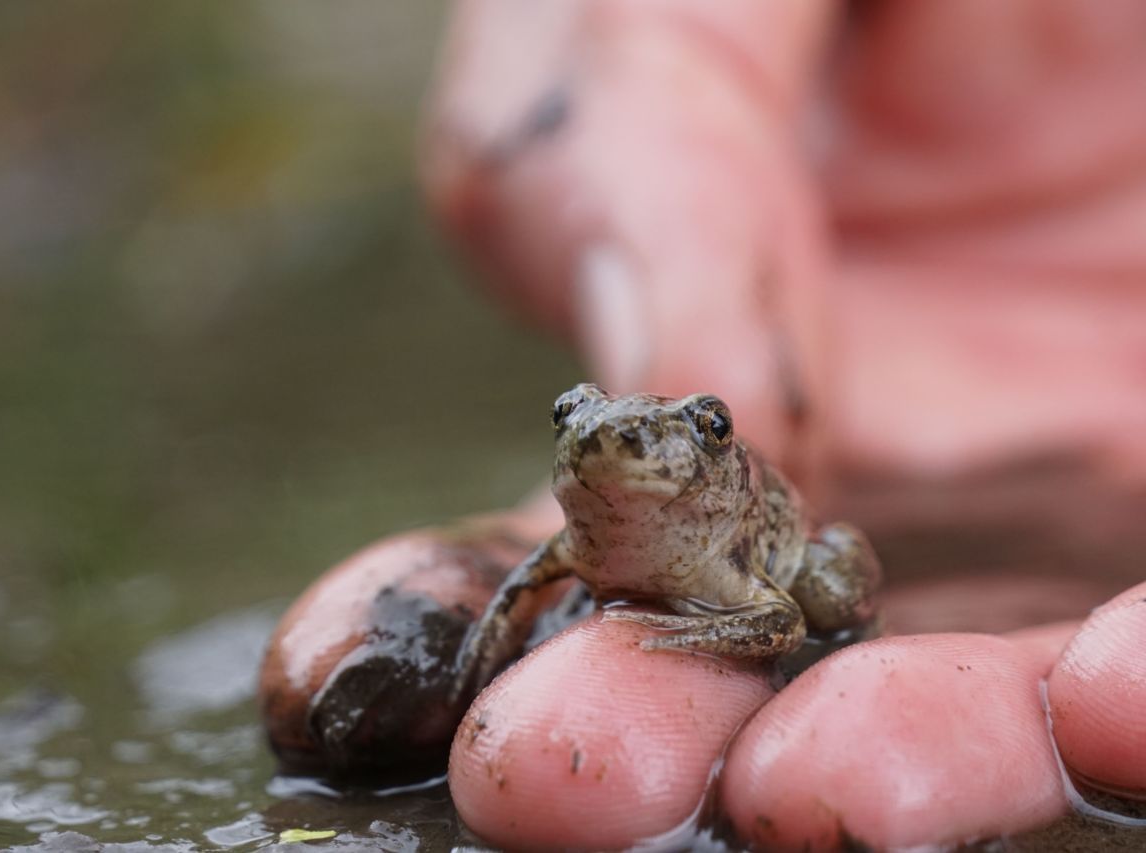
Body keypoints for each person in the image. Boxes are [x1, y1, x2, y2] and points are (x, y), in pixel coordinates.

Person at [278, 2, 1146, 849]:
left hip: (771, 535)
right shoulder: (578, 532)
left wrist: (690, 630)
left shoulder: (727, 543)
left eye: (702, 426)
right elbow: (528, 584)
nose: (614, 442)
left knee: (833, 594)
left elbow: (777, 622)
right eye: (572, 422)